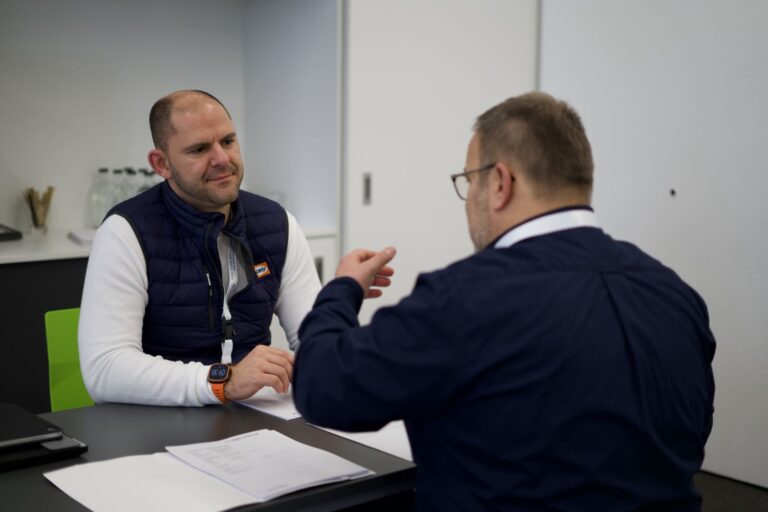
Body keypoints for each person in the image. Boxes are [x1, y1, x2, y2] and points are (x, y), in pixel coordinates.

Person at [293, 92, 716, 511]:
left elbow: (322, 386)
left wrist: (343, 288)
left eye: (469, 180)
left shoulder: (463, 299)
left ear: (499, 183)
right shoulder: (677, 296)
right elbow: (691, 433)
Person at [79, 89, 321, 406]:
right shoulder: (126, 231)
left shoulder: (278, 223)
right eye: (199, 149)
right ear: (161, 163)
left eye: (228, 141)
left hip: (259, 418)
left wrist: (344, 294)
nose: (222, 159)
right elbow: (105, 370)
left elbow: (318, 342)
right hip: (157, 424)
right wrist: (225, 381)